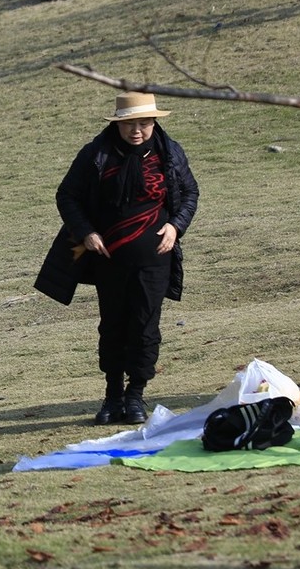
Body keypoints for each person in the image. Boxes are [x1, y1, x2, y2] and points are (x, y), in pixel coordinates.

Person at [34, 92, 199, 426]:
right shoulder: (97, 154)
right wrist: (86, 232)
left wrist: (175, 227)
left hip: (155, 259)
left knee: (145, 326)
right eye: (129, 123)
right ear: (118, 124)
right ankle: (112, 396)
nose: (136, 130)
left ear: (154, 122)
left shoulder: (169, 153)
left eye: (143, 123)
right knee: (113, 326)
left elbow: (190, 194)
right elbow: (67, 196)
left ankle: (136, 395)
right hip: (108, 259)